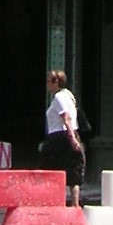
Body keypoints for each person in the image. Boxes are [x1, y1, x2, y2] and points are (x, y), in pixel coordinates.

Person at [38, 67, 85, 205]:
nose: (47, 84)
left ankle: (53, 202)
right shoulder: (69, 95)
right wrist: (74, 137)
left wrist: (71, 137)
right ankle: (75, 205)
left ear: (56, 82)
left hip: (58, 137)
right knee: (73, 170)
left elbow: (66, 117)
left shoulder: (59, 97)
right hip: (71, 133)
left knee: (49, 169)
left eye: (49, 81)